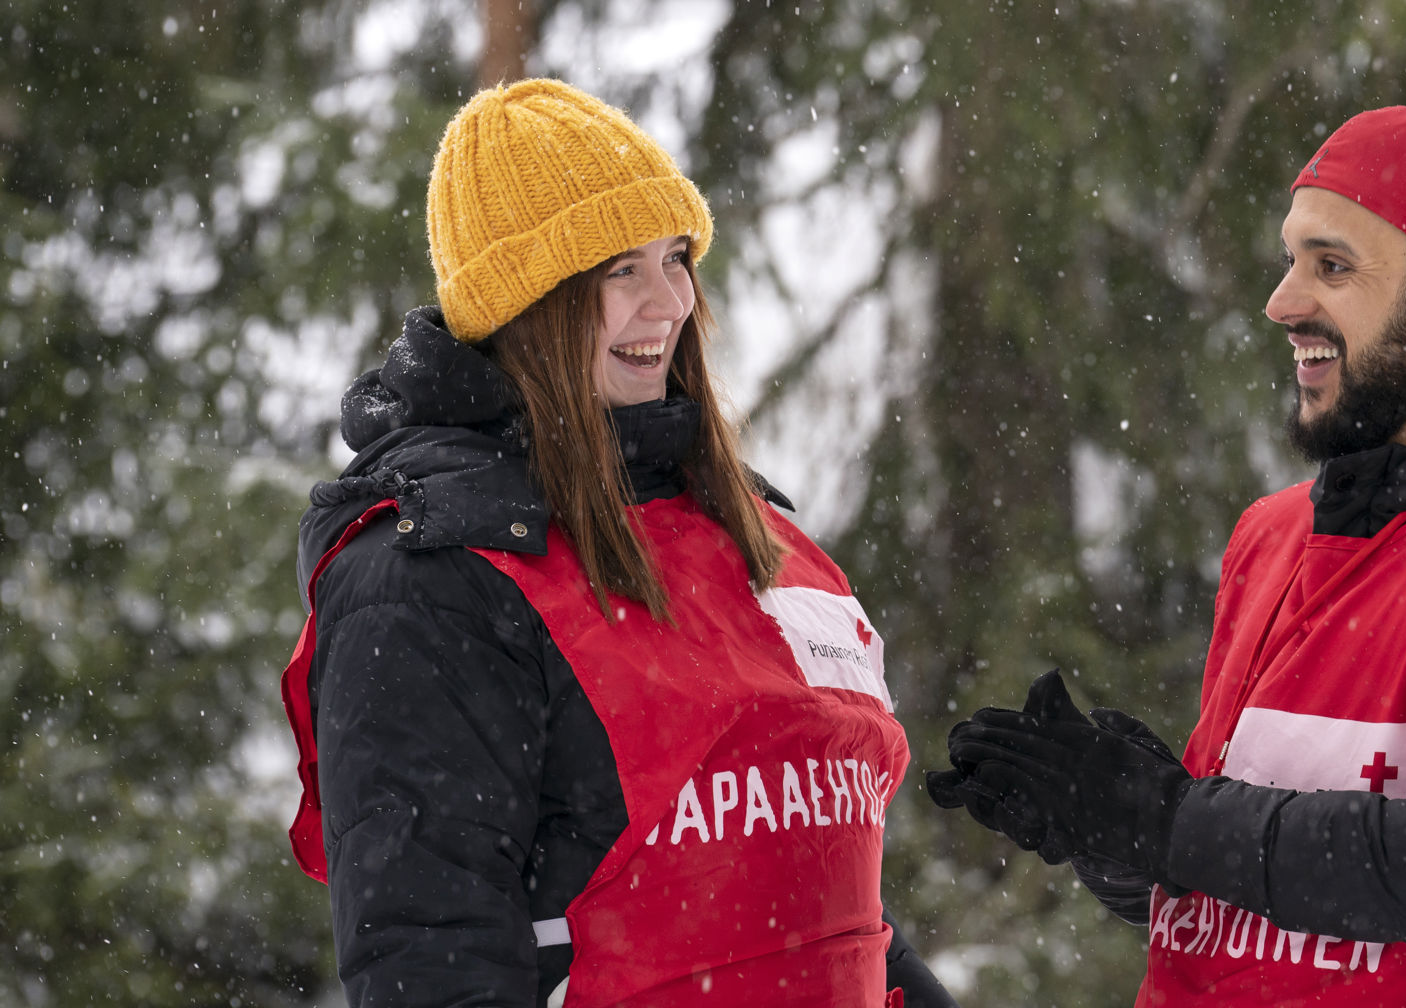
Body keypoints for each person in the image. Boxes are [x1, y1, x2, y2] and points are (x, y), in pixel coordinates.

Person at [927, 106, 1406, 1007]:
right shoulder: (1276, 534)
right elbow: (1235, 914)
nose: (1282, 302)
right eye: (1290, 259)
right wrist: (1102, 820)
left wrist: (1162, 816)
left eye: (1333, 266)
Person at [278, 78, 956, 1008]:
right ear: (528, 305)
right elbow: (431, 957)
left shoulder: (750, 531)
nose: (669, 301)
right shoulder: (431, 576)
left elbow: (827, 891)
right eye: (619, 272)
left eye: (675, 258)